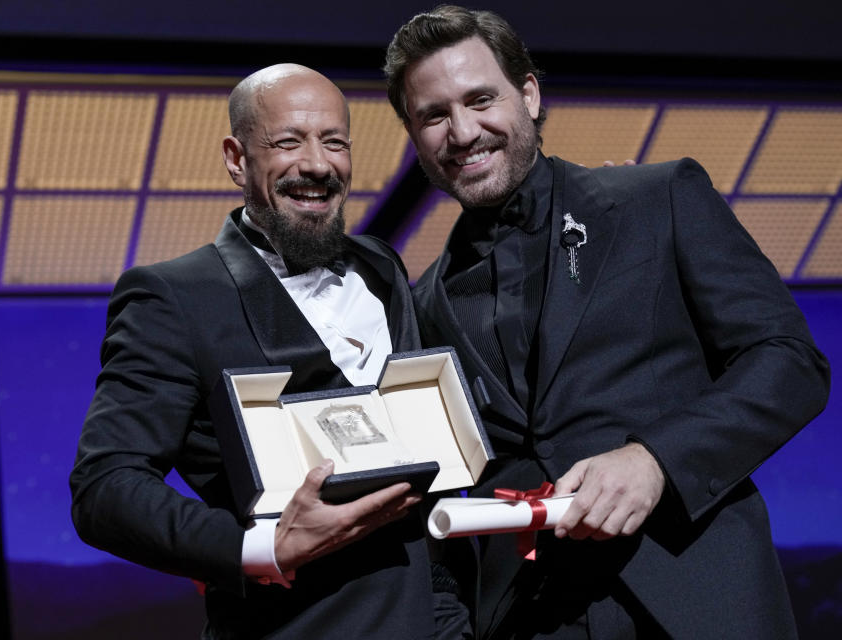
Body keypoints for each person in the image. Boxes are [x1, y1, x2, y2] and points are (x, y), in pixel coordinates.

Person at [384, 6, 830, 639]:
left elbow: (789, 361)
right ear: (414, 133)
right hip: (526, 617)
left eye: (480, 99)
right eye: (434, 115)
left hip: (696, 600)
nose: (462, 131)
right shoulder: (424, 303)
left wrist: (655, 460)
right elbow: (432, 496)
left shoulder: (657, 198)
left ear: (530, 94)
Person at [70, 63, 445, 639]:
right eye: (288, 142)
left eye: (334, 142)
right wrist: (261, 547)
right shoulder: (175, 295)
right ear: (236, 158)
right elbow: (105, 487)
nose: (317, 164)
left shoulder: (382, 267)